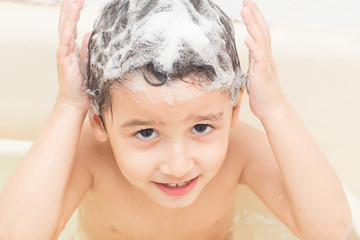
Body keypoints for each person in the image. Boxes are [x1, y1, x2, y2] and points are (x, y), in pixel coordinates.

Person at [0, 0, 352, 239]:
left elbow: (330, 231)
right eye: (146, 132)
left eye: (201, 127)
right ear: (99, 122)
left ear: (232, 113)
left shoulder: (240, 151)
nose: (178, 164)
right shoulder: (91, 158)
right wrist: (68, 106)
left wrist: (274, 108)